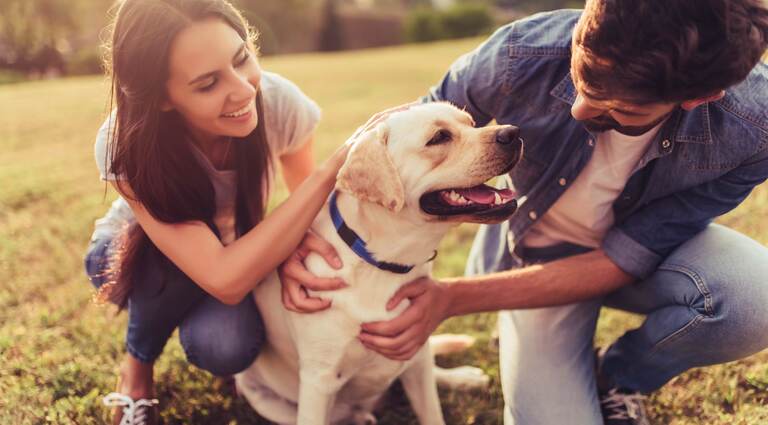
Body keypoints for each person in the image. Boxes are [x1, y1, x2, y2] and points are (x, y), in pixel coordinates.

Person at [280, 1, 768, 424]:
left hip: (645, 259)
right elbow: (402, 138)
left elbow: (629, 255)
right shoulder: (520, 53)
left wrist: (450, 298)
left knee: (755, 299)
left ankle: (618, 376)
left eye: (619, 109)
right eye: (582, 75)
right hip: (532, 251)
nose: (579, 109)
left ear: (699, 97)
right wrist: (305, 235)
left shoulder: (755, 127)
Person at [81, 0, 394, 423]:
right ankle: (137, 369)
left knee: (226, 345)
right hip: (131, 259)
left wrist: (292, 257)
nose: (245, 90)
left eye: (242, 57)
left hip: (229, 251)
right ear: (163, 98)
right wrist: (332, 168)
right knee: (176, 263)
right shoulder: (124, 142)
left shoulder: (278, 102)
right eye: (208, 83)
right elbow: (224, 278)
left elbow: (311, 216)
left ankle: (189, 322)